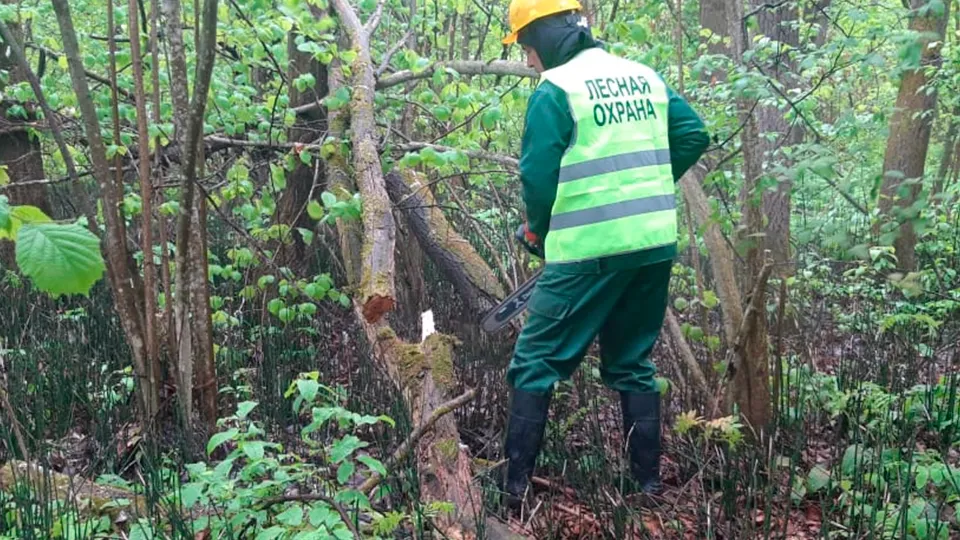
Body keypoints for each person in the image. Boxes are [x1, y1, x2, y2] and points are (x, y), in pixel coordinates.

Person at [500, 0, 710, 508]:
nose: (528, 60)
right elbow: (693, 134)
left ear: (545, 36)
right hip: (651, 243)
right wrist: (645, 186)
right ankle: (647, 488)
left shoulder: (556, 90)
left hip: (588, 251)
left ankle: (512, 492)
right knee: (632, 361)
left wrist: (539, 231)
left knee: (533, 363)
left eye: (527, 47)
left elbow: (537, 178)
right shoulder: (644, 77)